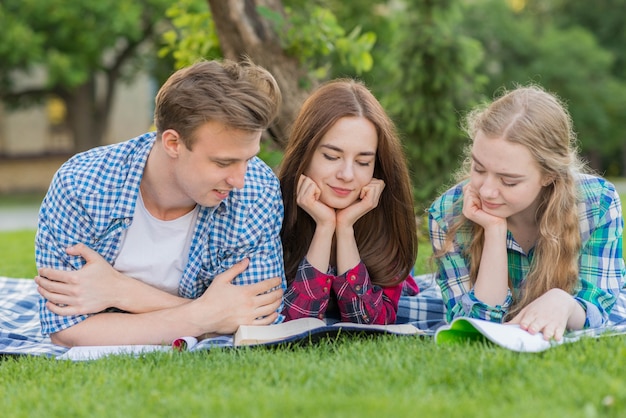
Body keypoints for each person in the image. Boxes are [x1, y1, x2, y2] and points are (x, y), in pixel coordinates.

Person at [34, 59, 286, 347]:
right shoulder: (81, 185)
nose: (239, 179)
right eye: (223, 162)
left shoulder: (256, 190)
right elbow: (67, 329)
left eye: (249, 158)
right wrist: (207, 316)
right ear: (173, 143)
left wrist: (122, 292)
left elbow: (255, 321)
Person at [429, 85, 626, 341]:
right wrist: (494, 231)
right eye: (478, 168)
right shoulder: (448, 214)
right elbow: (474, 327)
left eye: (508, 181)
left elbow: (600, 310)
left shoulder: (597, 203)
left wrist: (564, 304)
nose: (487, 191)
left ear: (549, 176)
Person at [278, 79, 419, 325]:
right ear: (305, 153)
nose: (347, 175)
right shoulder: (270, 209)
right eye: (332, 156)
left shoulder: (388, 212)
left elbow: (371, 322)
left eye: (363, 162)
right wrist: (324, 228)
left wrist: (344, 229)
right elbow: (295, 322)